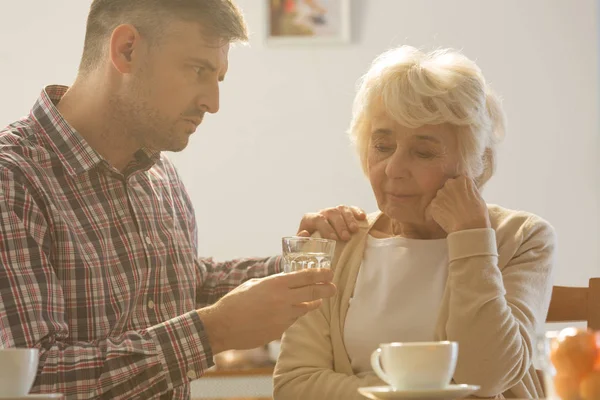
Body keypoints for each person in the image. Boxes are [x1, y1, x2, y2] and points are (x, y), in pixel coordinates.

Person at [0, 1, 363, 399]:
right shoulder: (12, 182)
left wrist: (306, 261)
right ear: (127, 50)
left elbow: (183, 284)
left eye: (219, 78)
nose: (213, 102)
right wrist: (213, 331)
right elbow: (31, 380)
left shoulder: (158, 172)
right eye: (198, 70)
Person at [274, 45, 556, 399]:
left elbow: (488, 376)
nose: (393, 169)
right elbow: (295, 386)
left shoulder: (523, 238)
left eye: (422, 152)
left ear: (473, 164)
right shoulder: (334, 240)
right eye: (382, 146)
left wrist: (472, 240)